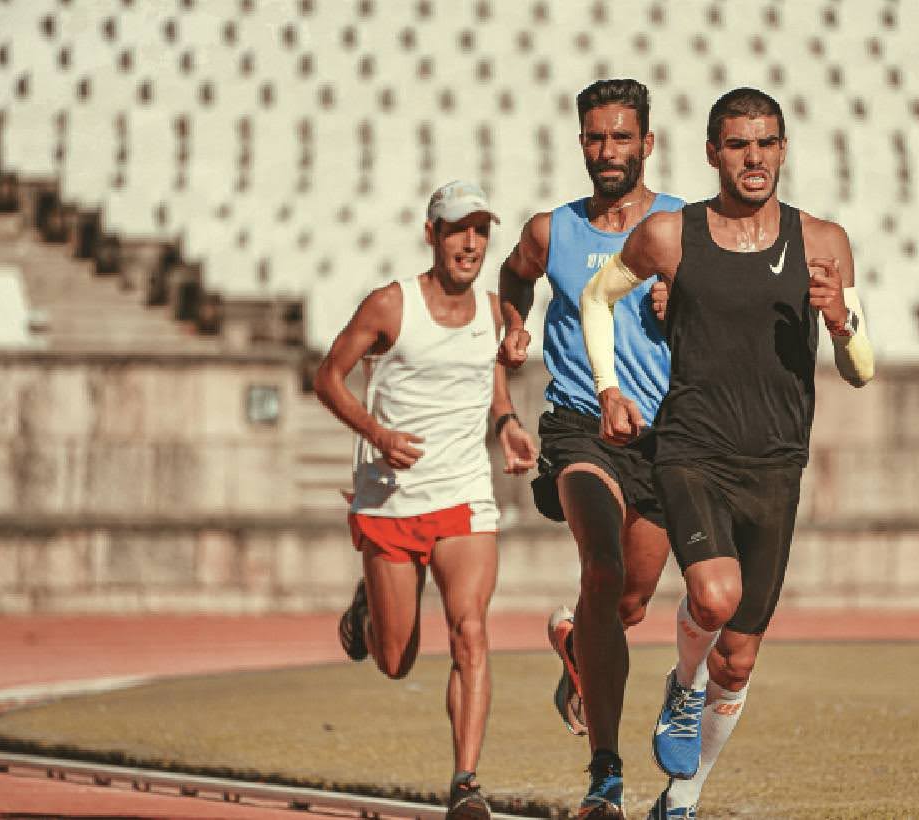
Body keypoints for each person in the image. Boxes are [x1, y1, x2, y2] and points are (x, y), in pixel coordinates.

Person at [579, 87, 875, 819]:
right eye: (738, 144)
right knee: (714, 596)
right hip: (693, 448)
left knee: (739, 659)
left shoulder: (824, 241)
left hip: (776, 463)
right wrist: (608, 387)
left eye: (766, 143)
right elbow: (595, 298)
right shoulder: (670, 235)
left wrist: (842, 324)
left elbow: (861, 369)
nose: (754, 158)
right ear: (713, 152)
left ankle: (682, 797)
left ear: (783, 149)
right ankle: (682, 686)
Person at [316, 180, 537, 820]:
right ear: (431, 235)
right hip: (391, 499)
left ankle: (466, 784)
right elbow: (327, 378)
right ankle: (369, 611)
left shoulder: (494, 313)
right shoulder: (391, 305)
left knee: (471, 631)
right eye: (457, 229)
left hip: (463, 494)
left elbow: (492, 383)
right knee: (395, 660)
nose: (470, 243)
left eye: (480, 230)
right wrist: (377, 434)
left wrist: (507, 425)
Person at [498, 78, 685, 819]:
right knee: (601, 569)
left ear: (647, 143)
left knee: (628, 602)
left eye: (621, 136)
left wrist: (680, 300)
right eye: (596, 137)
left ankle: (578, 648)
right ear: (581, 142)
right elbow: (513, 275)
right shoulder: (552, 230)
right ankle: (605, 773)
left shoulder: (682, 225)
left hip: (664, 435)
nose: (608, 150)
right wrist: (514, 323)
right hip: (580, 425)